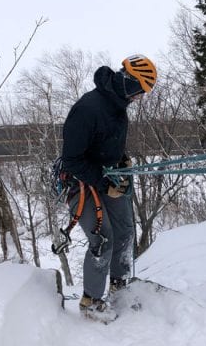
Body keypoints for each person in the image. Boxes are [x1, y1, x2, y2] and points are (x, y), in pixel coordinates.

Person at [61, 54, 157, 322]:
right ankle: (90, 301)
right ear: (128, 82)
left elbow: (107, 141)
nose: (140, 98)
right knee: (103, 239)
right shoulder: (88, 109)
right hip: (80, 181)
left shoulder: (118, 104)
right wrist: (104, 183)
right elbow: (72, 159)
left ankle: (119, 283)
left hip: (109, 175)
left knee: (126, 229)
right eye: (140, 91)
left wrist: (121, 160)